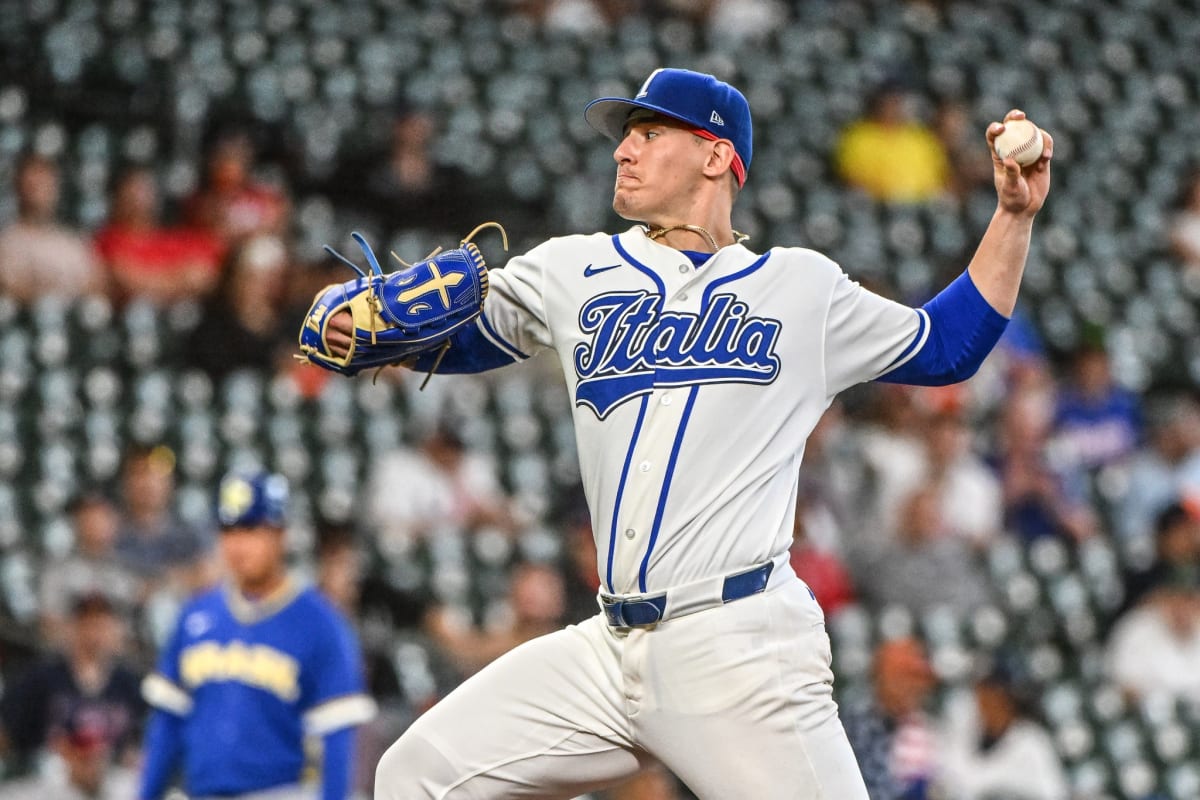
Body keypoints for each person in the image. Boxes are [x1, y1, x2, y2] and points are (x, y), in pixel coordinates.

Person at [324, 67, 1052, 798]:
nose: (622, 151)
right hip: (609, 650)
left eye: (647, 133)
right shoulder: (574, 269)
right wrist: (352, 318)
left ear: (715, 155)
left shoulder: (801, 289)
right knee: (416, 775)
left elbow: (949, 344)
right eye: (624, 137)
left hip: (739, 647)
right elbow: (450, 337)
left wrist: (1013, 219)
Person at [138, 470, 377, 800]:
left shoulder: (323, 625)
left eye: (251, 529)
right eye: (229, 530)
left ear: (280, 534)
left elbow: (338, 744)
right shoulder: (195, 616)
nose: (237, 544)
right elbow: (167, 725)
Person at [0, 592, 145, 773]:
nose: (94, 634)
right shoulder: (42, 677)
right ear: (73, 627)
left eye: (102, 626)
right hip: (48, 780)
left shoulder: (127, 684)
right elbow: (6, 734)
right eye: (88, 624)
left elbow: (139, 743)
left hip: (108, 782)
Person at [938, 659, 1069, 800]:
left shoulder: (1032, 742)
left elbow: (1053, 794)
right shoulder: (963, 730)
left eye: (992, 690)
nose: (984, 697)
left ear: (1007, 695)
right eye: (981, 689)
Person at [93, 165, 222, 306]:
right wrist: (178, 278)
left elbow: (206, 277)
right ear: (117, 196)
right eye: (133, 189)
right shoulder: (108, 238)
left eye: (145, 189)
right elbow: (128, 282)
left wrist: (152, 279)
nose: (139, 198)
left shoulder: (177, 238)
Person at [841, 638, 941, 800]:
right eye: (904, 675)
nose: (913, 685)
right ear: (880, 677)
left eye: (918, 676)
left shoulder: (927, 726)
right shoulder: (853, 725)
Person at [0, 152, 105, 302]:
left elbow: (97, 284)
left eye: (45, 183)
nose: (39, 191)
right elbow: (10, 287)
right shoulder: (8, 240)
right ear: (19, 188)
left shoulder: (72, 241)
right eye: (32, 184)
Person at [834, 79, 952, 203]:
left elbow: (937, 178)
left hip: (918, 207)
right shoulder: (858, 136)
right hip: (875, 206)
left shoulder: (921, 139)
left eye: (896, 103)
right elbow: (852, 178)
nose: (892, 108)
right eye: (887, 103)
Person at [0, 701, 139, 800]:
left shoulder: (128, 786)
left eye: (98, 753)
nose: (93, 760)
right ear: (64, 749)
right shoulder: (41, 789)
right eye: (85, 757)